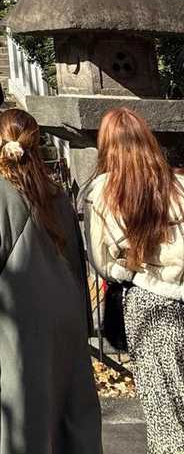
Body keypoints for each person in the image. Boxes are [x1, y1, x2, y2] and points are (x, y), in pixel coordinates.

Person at [0, 107, 101, 454]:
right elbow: (76, 260)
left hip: (19, 317)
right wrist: (84, 321)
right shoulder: (56, 192)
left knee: (18, 415)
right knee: (65, 410)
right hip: (66, 315)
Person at [87, 107, 184, 454]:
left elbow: (101, 261)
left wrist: (128, 272)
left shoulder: (104, 192)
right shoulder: (177, 185)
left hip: (148, 304)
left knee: (165, 417)